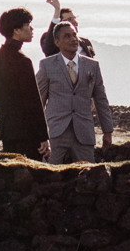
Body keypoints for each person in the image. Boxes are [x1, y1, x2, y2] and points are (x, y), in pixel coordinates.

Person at [35, 21, 109, 164]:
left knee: (88, 177)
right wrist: (40, 135)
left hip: (83, 134)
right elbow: (38, 102)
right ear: (57, 42)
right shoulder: (47, 65)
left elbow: (101, 99)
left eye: (75, 35)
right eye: (67, 36)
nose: (73, 39)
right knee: (50, 177)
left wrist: (108, 131)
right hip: (56, 133)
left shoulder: (92, 65)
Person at [0, 7, 49, 159]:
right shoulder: (22, 60)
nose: (32, 29)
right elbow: (32, 100)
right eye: (28, 25)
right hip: (28, 132)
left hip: (8, 131)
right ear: (16, 30)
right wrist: (42, 135)